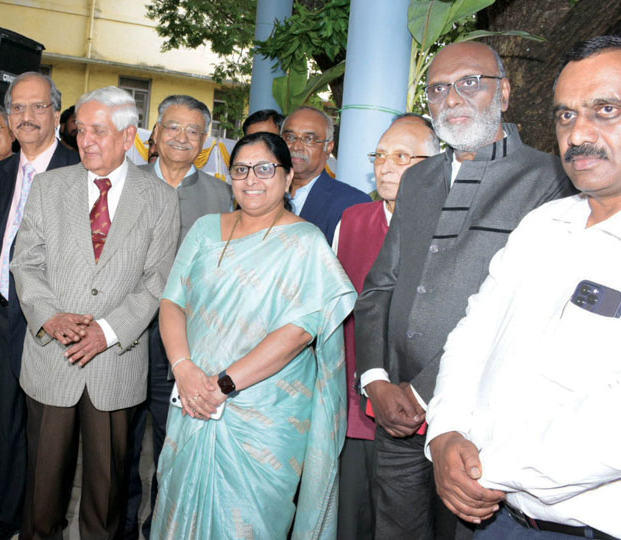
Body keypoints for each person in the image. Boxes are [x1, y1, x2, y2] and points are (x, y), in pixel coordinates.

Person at [354, 41, 575, 540]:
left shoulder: (549, 180)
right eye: (437, 88)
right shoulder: (419, 179)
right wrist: (375, 379)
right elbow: (380, 286)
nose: (452, 98)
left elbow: (524, 310)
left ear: (506, 92)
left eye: (470, 82)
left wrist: (422, 391)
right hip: (395, 415)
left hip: (477, 420)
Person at [426, 35, 621, 540]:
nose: (579, 132)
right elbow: (474, 332)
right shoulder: (543, 224)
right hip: (493, 517)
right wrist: (445, 433)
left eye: (605, 109)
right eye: (565, 115)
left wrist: (483, 471)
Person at [149, 131, 356, 539]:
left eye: (265, 168)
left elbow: (299, 332)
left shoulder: (306, 243)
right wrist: (185, 370)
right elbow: (172, 302)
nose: (251, 179)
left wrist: (223, 385)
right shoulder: (206, 229)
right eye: (241, 169)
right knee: (177, 509)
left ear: (288, 175)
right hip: (192, 399)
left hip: (264, 416)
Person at [13, 85, 180, 539]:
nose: (86, 141)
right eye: (81, 130)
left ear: (128, 137)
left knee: (106, 494)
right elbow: (24, 261)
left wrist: (107, 331)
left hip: (115, 363)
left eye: (99, 132)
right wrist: (49, 316)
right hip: (52, 357)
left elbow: (158, 280)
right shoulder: (49, 187)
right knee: (43, 491)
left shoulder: (160, 197)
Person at [0, 71, 80, 540]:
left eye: (39, 107)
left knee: (50, 431)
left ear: (56, 113)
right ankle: (6, 516)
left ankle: (44, 523)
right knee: (3, 422)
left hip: (52, 321)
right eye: (18, 108)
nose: (28, 117)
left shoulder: (81, 173)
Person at [121, 94, 232, 539]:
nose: (182, 137)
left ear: (204, 141)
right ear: (155, 132)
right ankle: (122, 526)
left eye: (193, 131)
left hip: (185, 344)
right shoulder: (124, 183)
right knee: (120, 445)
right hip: (125, 336)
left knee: (174, 443)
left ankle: (161, 525)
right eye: (173, 127)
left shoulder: (221, 195)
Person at [333, 113, 440, 540]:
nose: (386, 165)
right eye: (379, 155)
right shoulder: (353, 220)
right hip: (358, 404)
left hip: (426, 409)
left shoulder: (449, 226)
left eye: (401, 156)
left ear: (433, 165)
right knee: (354, 519)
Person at [282, 106, 371, 245]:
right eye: (290, 137)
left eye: (309, 139)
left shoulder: (353, 204)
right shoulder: (259, 192)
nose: (296, 147)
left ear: (328, 147)